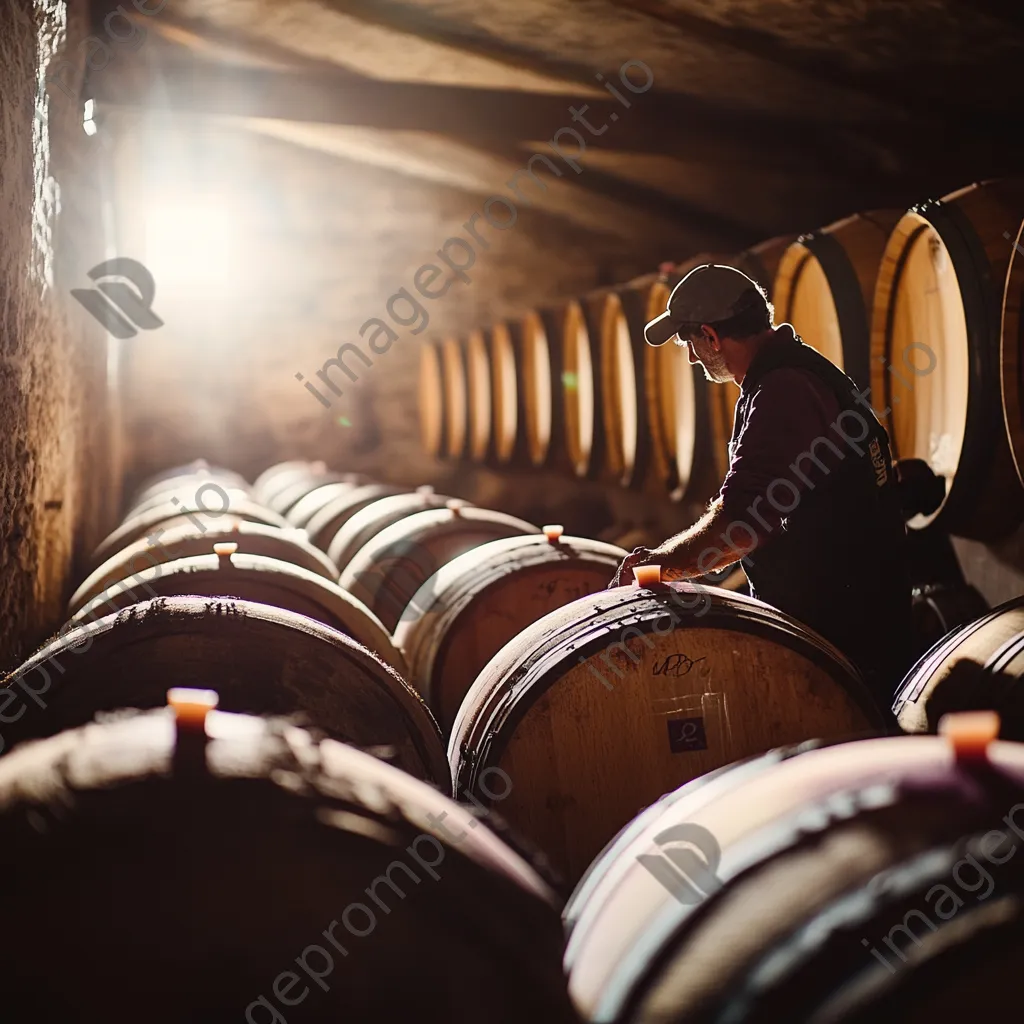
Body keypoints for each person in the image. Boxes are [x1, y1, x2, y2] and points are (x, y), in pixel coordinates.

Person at [610, 264, 912, 710]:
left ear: (711, 337)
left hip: (840, 637)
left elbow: (740, 524)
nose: (691, 358)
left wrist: (660, 565)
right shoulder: (794, 372)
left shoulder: (783, 389)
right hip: (849, 619)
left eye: (688, 343)